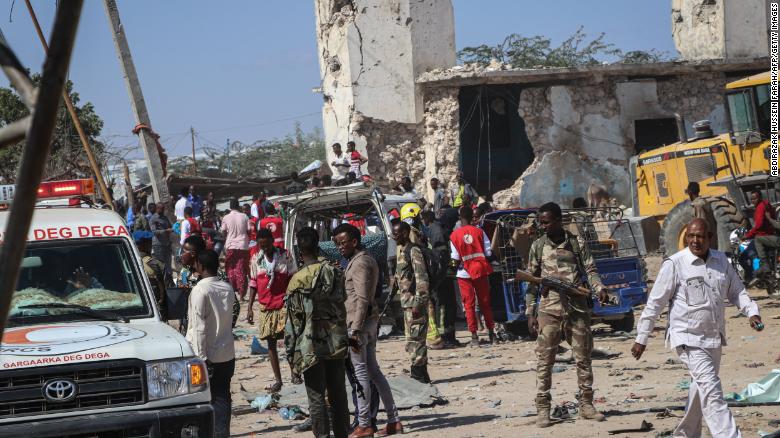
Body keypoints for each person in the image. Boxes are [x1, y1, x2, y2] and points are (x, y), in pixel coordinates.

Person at [632, 218, 762, 437]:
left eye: (700, 236)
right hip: (688, 338)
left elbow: (737, 292)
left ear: (709, 238)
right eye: (690, 236)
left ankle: (685, 434)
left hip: (713, 337)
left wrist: (752, 312)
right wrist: (641, 337)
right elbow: (655, 303)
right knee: (712, 392)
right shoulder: (675, 264)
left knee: (700, 388)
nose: (694, 241)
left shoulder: (721, 261)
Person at [521, 202, 610, 427]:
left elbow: (590, 270)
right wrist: (530, 312)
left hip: (577, 308)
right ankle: (543, 409)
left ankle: (586, 405)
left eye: (547, 222)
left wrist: (599, 288)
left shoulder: (576, 242)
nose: (543, 226)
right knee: (545, 360)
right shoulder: (538, 246)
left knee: (583, 358)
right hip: (549, 310)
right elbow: (531, 280)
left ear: (559, 220)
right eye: (541, 222)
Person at [333, 224, 402, 437]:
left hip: (359, 327)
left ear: (354, 241)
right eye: (337, 244)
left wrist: (354, 330)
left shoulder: (361, 262)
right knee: (373, 372)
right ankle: (393, 420)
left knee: (360, 373)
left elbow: (362, 298)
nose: (340, 248)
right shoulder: (362, 260)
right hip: (367, 324)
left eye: (343, 243)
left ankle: (364, 424)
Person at [285, 227, 350, 438]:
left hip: (309, 347)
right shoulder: (334, 271)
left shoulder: (296, 281)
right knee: (338, 395)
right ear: (318, 245)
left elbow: (293, 325)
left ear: (299, 250)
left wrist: (290, 356)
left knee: (316, 399)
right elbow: (343, 303)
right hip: (336, 341)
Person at [184, 249, 236, 438]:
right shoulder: (227, 288)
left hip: (207, 356)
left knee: (203, 400)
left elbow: (198, 328)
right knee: (223, 397)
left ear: (201, 266)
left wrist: (201, 358)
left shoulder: (200, 290)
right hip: (227, 353)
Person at [247, 228, 298, 392]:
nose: (266, 249)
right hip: (266, 306)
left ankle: (294, 372)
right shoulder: (255, 258)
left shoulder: (285, 255)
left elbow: (293, 279)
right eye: (262, 246)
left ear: (272, 241)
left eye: (267, 245)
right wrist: (249, 308)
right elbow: (254, 283)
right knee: (271, 344)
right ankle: (278, 380)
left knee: (290, 341)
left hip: (283, 304)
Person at [449, 206, 495, 346]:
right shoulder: (480, 231)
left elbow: (455, 258)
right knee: (485, 302)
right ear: (472, 217)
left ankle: (474, 337)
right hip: (480, 270)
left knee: (468, 304)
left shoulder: (454, 235)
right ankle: (492, 335)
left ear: (459, 217)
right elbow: (488, 253)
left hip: (463, 273)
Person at [392, 220, 431, 383]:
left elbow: (422, 278)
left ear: (406, 233)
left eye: (398, 233)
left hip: (415, 304)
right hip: (406, 304)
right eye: (393, 233)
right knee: (411, 341)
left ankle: (420, 376)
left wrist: (419, 303)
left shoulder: (413, 251)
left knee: (417, 340)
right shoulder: (402, 251)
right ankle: (418, 373)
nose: (395, 236)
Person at [421, 210, 461, 348]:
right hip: (443, 275)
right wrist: (451, 269)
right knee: (444, 305)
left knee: (446, 305)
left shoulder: (436, 230)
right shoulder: (437, 230)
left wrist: (450, 269)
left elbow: (447, 254)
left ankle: (448, 337)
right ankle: (446, 337)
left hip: (443, 274)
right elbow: (445, 255)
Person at [739, 189, 775, 283]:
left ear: (760, 197)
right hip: (770, 236)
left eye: (755, 198)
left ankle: (752, 277)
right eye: (751, 199)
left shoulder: (760, 208)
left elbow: (758, 225)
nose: (753, 201)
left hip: (762, 237)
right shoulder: (767, 205)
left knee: (743, 257)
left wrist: (747, 235)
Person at [221, 198, 250, 301]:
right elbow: (249, 230)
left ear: (230, 206)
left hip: (230, 246)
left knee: (230, 269)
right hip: (243, 245)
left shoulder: (226, 217)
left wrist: (228, 238)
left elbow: (223, 232)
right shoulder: (244, 216)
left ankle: (232, 293)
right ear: (238, 206)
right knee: (241, 269)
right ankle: (242, 295)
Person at [134, 230, 167, 318]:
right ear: (145, 245)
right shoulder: (156, 264)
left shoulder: (124, 261)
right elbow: (168, 288)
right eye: (149, 242)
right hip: (155, 310)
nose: (151, 244)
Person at [686, 182, 718, 250]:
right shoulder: (705, 202)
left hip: (704, 244)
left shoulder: (698, 205)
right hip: (712, 240)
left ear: (690, 192)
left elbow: (700, 227)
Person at [150, 202, 174, 275]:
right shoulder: (153, 218)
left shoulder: (165, 217)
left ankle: (170, 281)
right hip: (158, 245)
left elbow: (170, 226)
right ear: (157, 208)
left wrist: (173, 228)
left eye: (164, 209)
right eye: (162, 209)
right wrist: (165, 231)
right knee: (161, 265)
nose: (163, 210)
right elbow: (154, 231)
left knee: (168, 264)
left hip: (167, 244)